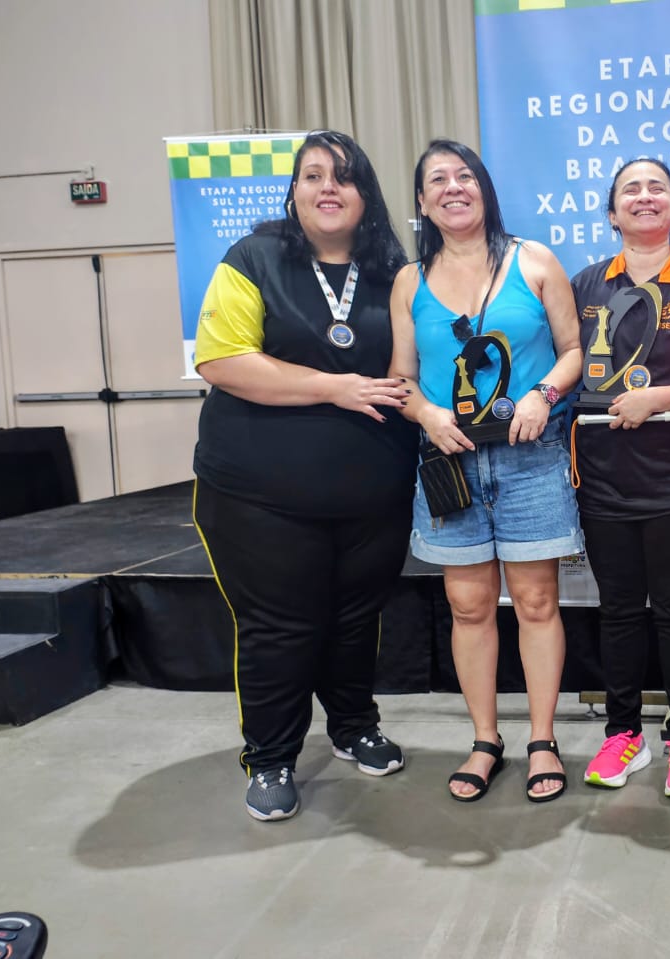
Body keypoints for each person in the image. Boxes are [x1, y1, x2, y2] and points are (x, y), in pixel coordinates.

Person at [192, 130, 419, 822]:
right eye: (313, 175)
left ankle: (353, 726)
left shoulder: (394, 271)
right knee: (279, 627)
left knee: (355, 620)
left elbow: (413, 368)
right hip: (259, 495)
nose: (328, 187)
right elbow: (222, 360)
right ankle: (270, 758)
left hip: (373, 492)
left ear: (366, 195)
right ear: (293, 191)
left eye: (343, 177)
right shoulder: (252, 257)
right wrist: (334, 387)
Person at [390, 139, 582, 803]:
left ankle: (542, 739)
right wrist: (425, 413)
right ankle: (484, 739)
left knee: (536, 602)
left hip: (532, 460)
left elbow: (574, 351)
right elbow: (401, 378)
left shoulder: (535, 261)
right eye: (438, 180)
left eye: (464, 175)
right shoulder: (410, 282)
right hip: (451, 465)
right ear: (422, 202)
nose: (453, 187)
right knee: (468, 606)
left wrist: (543, 394)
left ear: (484, 187)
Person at [570, 159, 670, 797]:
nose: (645, 196)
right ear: (612, 213)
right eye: (630, 189)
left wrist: (658, 398)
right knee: (619, 612)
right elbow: (565, 363)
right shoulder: (584, 285)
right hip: (603, 479)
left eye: (658, 187)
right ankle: (623, 734)